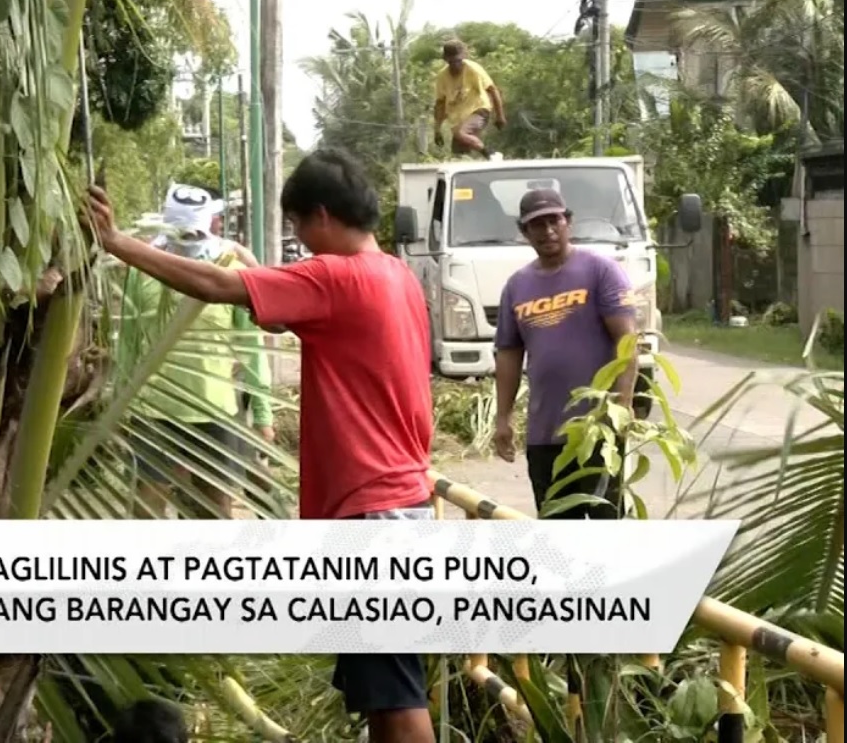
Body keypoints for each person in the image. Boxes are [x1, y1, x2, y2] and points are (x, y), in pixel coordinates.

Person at [86, 148, 437, 743]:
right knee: (384, 700)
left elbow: (219, 286)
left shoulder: (337, 277)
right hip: (396, 507)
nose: (298, 240)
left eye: (298, 226)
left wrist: (117, 242)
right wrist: (256, 269)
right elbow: (272, 315)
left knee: (399, 705)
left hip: (373, 516)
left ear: (321, 215)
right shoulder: (394, 277)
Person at [117, 185, 273, 519]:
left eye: (197, 232)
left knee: (214, 510)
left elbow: (251, 348)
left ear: (212, 224)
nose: (190, 240)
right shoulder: (142, 269)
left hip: (213, 412)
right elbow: (128, 343)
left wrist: (262, 413)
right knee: (145, 510)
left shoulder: (232, 272)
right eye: (182, 233)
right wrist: (119, 402)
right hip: (152, 412)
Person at [492, 188, 638, 520]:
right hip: (545, 435)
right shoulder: (517, 286)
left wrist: (622, 407)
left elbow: (627, 342)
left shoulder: (601, 271)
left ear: (568, 221)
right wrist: (503, 418)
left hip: (595, 431)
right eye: (536, 225)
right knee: (557, 534)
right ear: (524, 231)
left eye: (553, 221)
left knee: (606, 528)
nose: (547, 231)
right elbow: (509, 355)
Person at [432, 39, 506, 160]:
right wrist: (437, 130)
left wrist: (500, 116)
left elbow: (493, 90)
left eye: (458, 61)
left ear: (463, 57)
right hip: (458, 119)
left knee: (461, 133)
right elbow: (440, 104)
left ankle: (491, 153)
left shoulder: (473, 70)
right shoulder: (442, 77)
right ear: (446, 60)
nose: (456, 65)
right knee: (458, 156)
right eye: (452, 62)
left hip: (479, 109)